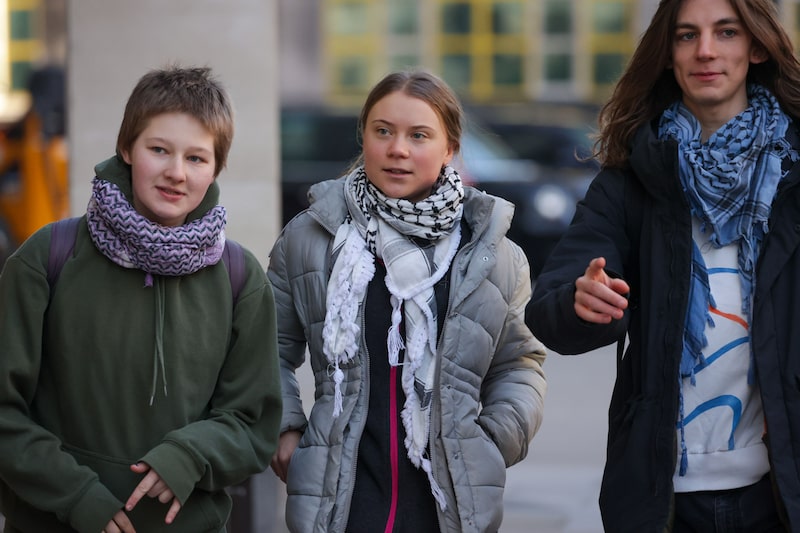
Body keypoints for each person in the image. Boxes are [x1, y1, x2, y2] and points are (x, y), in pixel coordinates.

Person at [527, 0, 800, 531]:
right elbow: (550, 306)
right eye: (685, 35)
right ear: (668, 53)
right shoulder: (632, 180)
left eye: (726, 32)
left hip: (780, 489)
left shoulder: (793, 175)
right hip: (663, 494)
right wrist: (581, 302)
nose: (705, 50)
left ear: (757, 46)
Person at [0, 66, 281, 532]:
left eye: (196, 158)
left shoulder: (240, 277)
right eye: (159, 150)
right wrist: (77, 497)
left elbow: (253, 423)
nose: (176, 173)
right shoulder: (47, 258)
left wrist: (189, 456)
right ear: (127, 148)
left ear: (215, 168)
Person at [267, 69, 546, 533]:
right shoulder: (311, 239)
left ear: (450, 148)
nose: (398, 149)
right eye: (383, 132)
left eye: (419, 135)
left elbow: (520, 364)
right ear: (365, 138)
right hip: (339, 503)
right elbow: (265, 346)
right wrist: (287, 431)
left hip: (449, 503)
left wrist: (492, 442)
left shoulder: (494, 256)